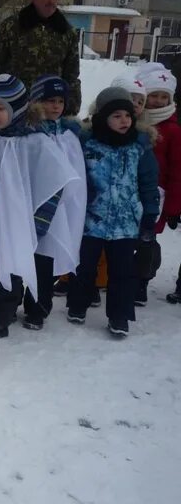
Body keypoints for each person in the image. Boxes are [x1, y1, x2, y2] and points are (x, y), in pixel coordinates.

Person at [0, 74, 80, 338]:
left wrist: (38, 223)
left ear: (18, 108)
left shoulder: (36, 143)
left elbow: (54, 184)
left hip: (19, 224)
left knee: (9, 273)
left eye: (2, 108)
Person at [66, 87, 160, 336]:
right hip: (90, 221)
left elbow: (149, 183)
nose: (124, 121)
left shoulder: (140, 148)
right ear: (102, 117)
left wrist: (150, 213)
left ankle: (119, 317)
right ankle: (77, 304)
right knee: (84, 267)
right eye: (116, 116)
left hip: (125, 224)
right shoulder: (88, 144)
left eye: (127, 115)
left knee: (122, 272)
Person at [21, 75, 86, 330]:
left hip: (60, 208)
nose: (55, 106)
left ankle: (38, 307)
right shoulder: (30, 133)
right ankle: (12, 298)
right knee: (27, 253)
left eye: (60, 101)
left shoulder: (69, 134)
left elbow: (76, 170)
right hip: (35, 203)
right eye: (49, 101)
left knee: (46, 257)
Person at [0, 0, 81, 117]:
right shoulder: (12, 27)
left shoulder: (67, 32)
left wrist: (72, 105)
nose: (51, 1)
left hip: (50, 108)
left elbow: (71, 74)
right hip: (13, 104)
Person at [133, 63, 181, 305]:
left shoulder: (173, 130)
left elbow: (177, 170)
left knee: (147, 240)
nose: (159, 101)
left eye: (165, 97)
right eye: (154, 96)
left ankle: (141, 282)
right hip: (129, 193)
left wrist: (173, 207)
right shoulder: (131, 121)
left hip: (156, 197)